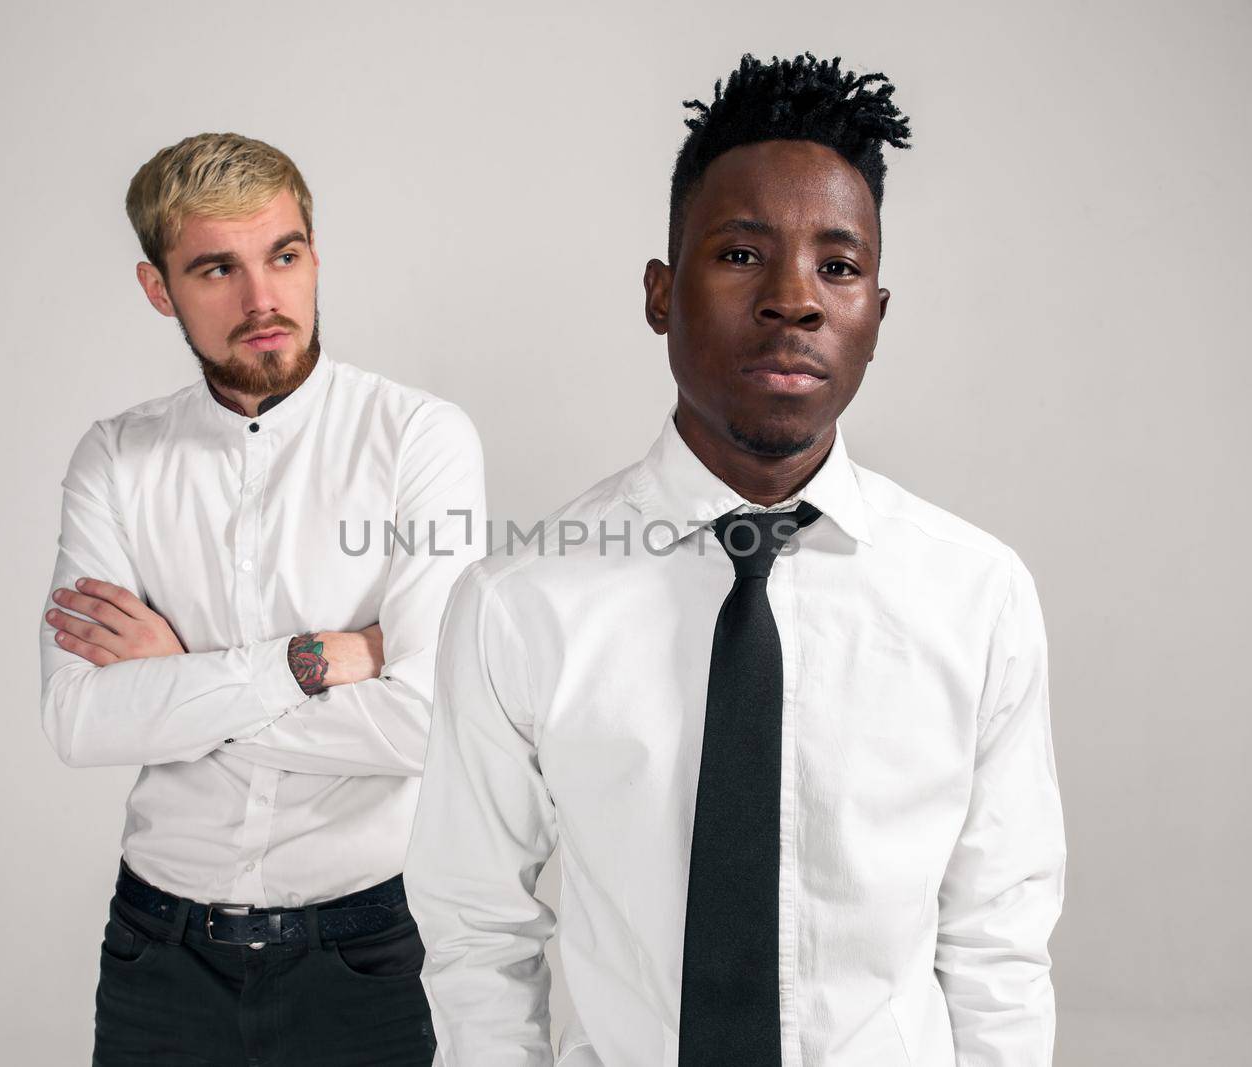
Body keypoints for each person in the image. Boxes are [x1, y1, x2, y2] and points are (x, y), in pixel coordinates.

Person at [405, 54, 1064, 1066]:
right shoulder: (519, 604)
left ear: (874, 319)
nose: (794, 300)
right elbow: (475, 934)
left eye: (837, 267)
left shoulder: (976, 596)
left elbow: (996, 946)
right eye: (743, 254)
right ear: (659, 294)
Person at [39, 132, 485, 1066]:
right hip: (158, 953)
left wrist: (178, 685)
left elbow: (425, 723)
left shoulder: (420, 441)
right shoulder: (117, 460)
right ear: (159, 288)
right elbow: (82, 721)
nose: (262, 299)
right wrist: (310, 659)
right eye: (216, 269)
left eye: (283, 256)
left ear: (315, 256)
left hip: (362, 954)